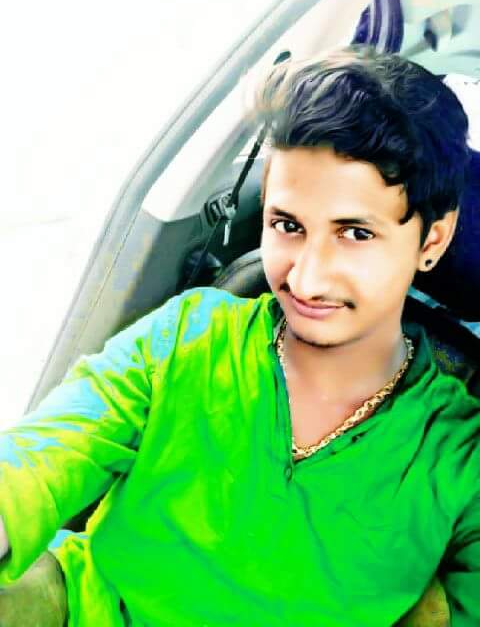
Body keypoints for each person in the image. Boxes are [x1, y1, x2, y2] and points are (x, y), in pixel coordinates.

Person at [0, 45, 478, 626]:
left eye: (355, 234)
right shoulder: (189, 334)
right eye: (288, 225)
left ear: (432, 240)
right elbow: (47, 451)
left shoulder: (458, 453)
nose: (306, 278)